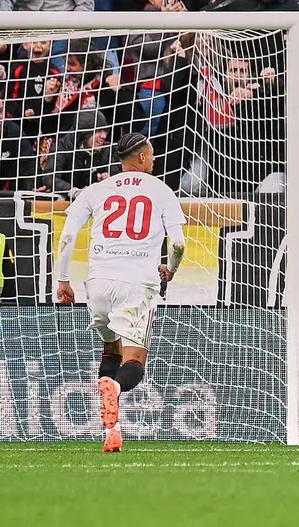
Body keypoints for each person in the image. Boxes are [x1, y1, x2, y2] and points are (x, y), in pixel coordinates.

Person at [55, 133, 187, 453]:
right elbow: (179, 244)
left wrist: (62, 281)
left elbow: (68, 237)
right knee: (134, 363)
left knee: (110, 350)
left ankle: (111, 431)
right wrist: (170, 269)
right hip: (137, 284)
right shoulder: (161, 191)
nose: (154, 160)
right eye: (152, 155)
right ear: (141, 158)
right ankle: (114, 385)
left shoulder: (96, 190)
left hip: (97, 283)